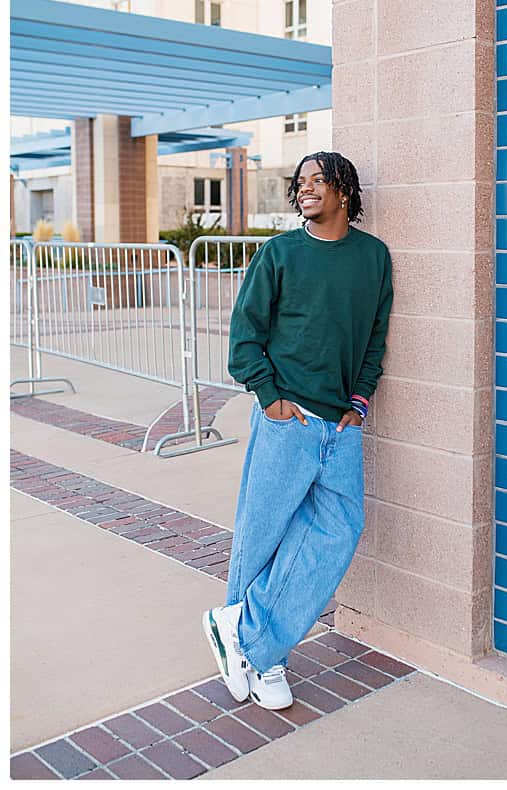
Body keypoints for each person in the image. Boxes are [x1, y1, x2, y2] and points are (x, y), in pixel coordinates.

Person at [202, 151, 393, 710]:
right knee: (262, 535)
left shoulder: (373, 257)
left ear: (344, 190)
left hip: (342, 423)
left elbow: (376, 335)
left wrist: (360, 399)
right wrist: (270, 398)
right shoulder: (279, 253)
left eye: (318, 180)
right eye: (301, 182)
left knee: (338, 531)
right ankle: (262, 658)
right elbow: (245, 337)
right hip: (289, 421)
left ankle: (250, 640)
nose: (306, 188)